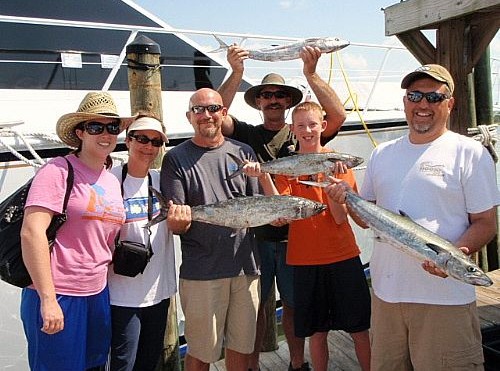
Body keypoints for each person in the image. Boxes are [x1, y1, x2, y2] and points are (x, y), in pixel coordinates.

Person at [325, 64, 500, 370]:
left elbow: (486, 223)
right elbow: (367, 219)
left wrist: (458, 253)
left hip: (444, 301)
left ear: (450, 103)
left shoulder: (469, 153)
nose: (422, 105)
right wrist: (345, 198)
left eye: (433, 97)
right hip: (386, 297)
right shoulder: (383, 153)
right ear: (405, 101)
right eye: (415, 95)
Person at [218, 44, 346, 371]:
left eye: (279, 94)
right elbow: (217, 112)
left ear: (288, 102)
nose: (273, 99)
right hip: (256, 238)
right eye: (266, 95)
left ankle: (296, 362)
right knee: (256, 306)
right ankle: (253, 366)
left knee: (293, 305)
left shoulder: (303, 133)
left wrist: (311, 73)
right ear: (259, 101)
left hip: (297, 239)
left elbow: (338, 115)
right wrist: (236, 72)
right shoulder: (246, 134)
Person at [242, 101, 371, 371]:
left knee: (359, 330)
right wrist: (263, 176)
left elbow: (338, 217)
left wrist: (334, 190)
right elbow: (282, 213)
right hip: (303, 260)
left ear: (323, 126)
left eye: (313, 124)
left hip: (343, 256)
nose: (308, 130)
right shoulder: (288, 166)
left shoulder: (338, 164)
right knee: (317, 332)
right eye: (301, 126)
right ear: (293, 130)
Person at [20, 91, 134, 370]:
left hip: (97, 294)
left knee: (95, 365)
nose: (105, 134)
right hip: (58, 293)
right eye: (96, 127)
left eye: (112, 127)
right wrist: (48, 300)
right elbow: (31, 232)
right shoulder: (58, 170)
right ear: (80, 132)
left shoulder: (110, 179)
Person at [160, 88, 261, 371]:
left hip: (246, 269)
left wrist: (275, 216)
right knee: (201, 353)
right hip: (202, 273)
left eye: (213, 108)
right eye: (199, 110)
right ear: (189, 117)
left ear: (224, 113)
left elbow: (257, 206)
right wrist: (176, 221)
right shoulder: (176, 159)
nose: (207, 115)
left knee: (241, 350)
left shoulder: (244, 152)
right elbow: (177, 222)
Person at [107, 114, 176, 371]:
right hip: (121, 295)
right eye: (142, 139)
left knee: (149, 362)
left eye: (156, 142)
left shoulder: (164, 181)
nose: (148, 146)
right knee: (123, 363)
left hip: (158, 292)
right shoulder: (108, 180)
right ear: (128, 140)